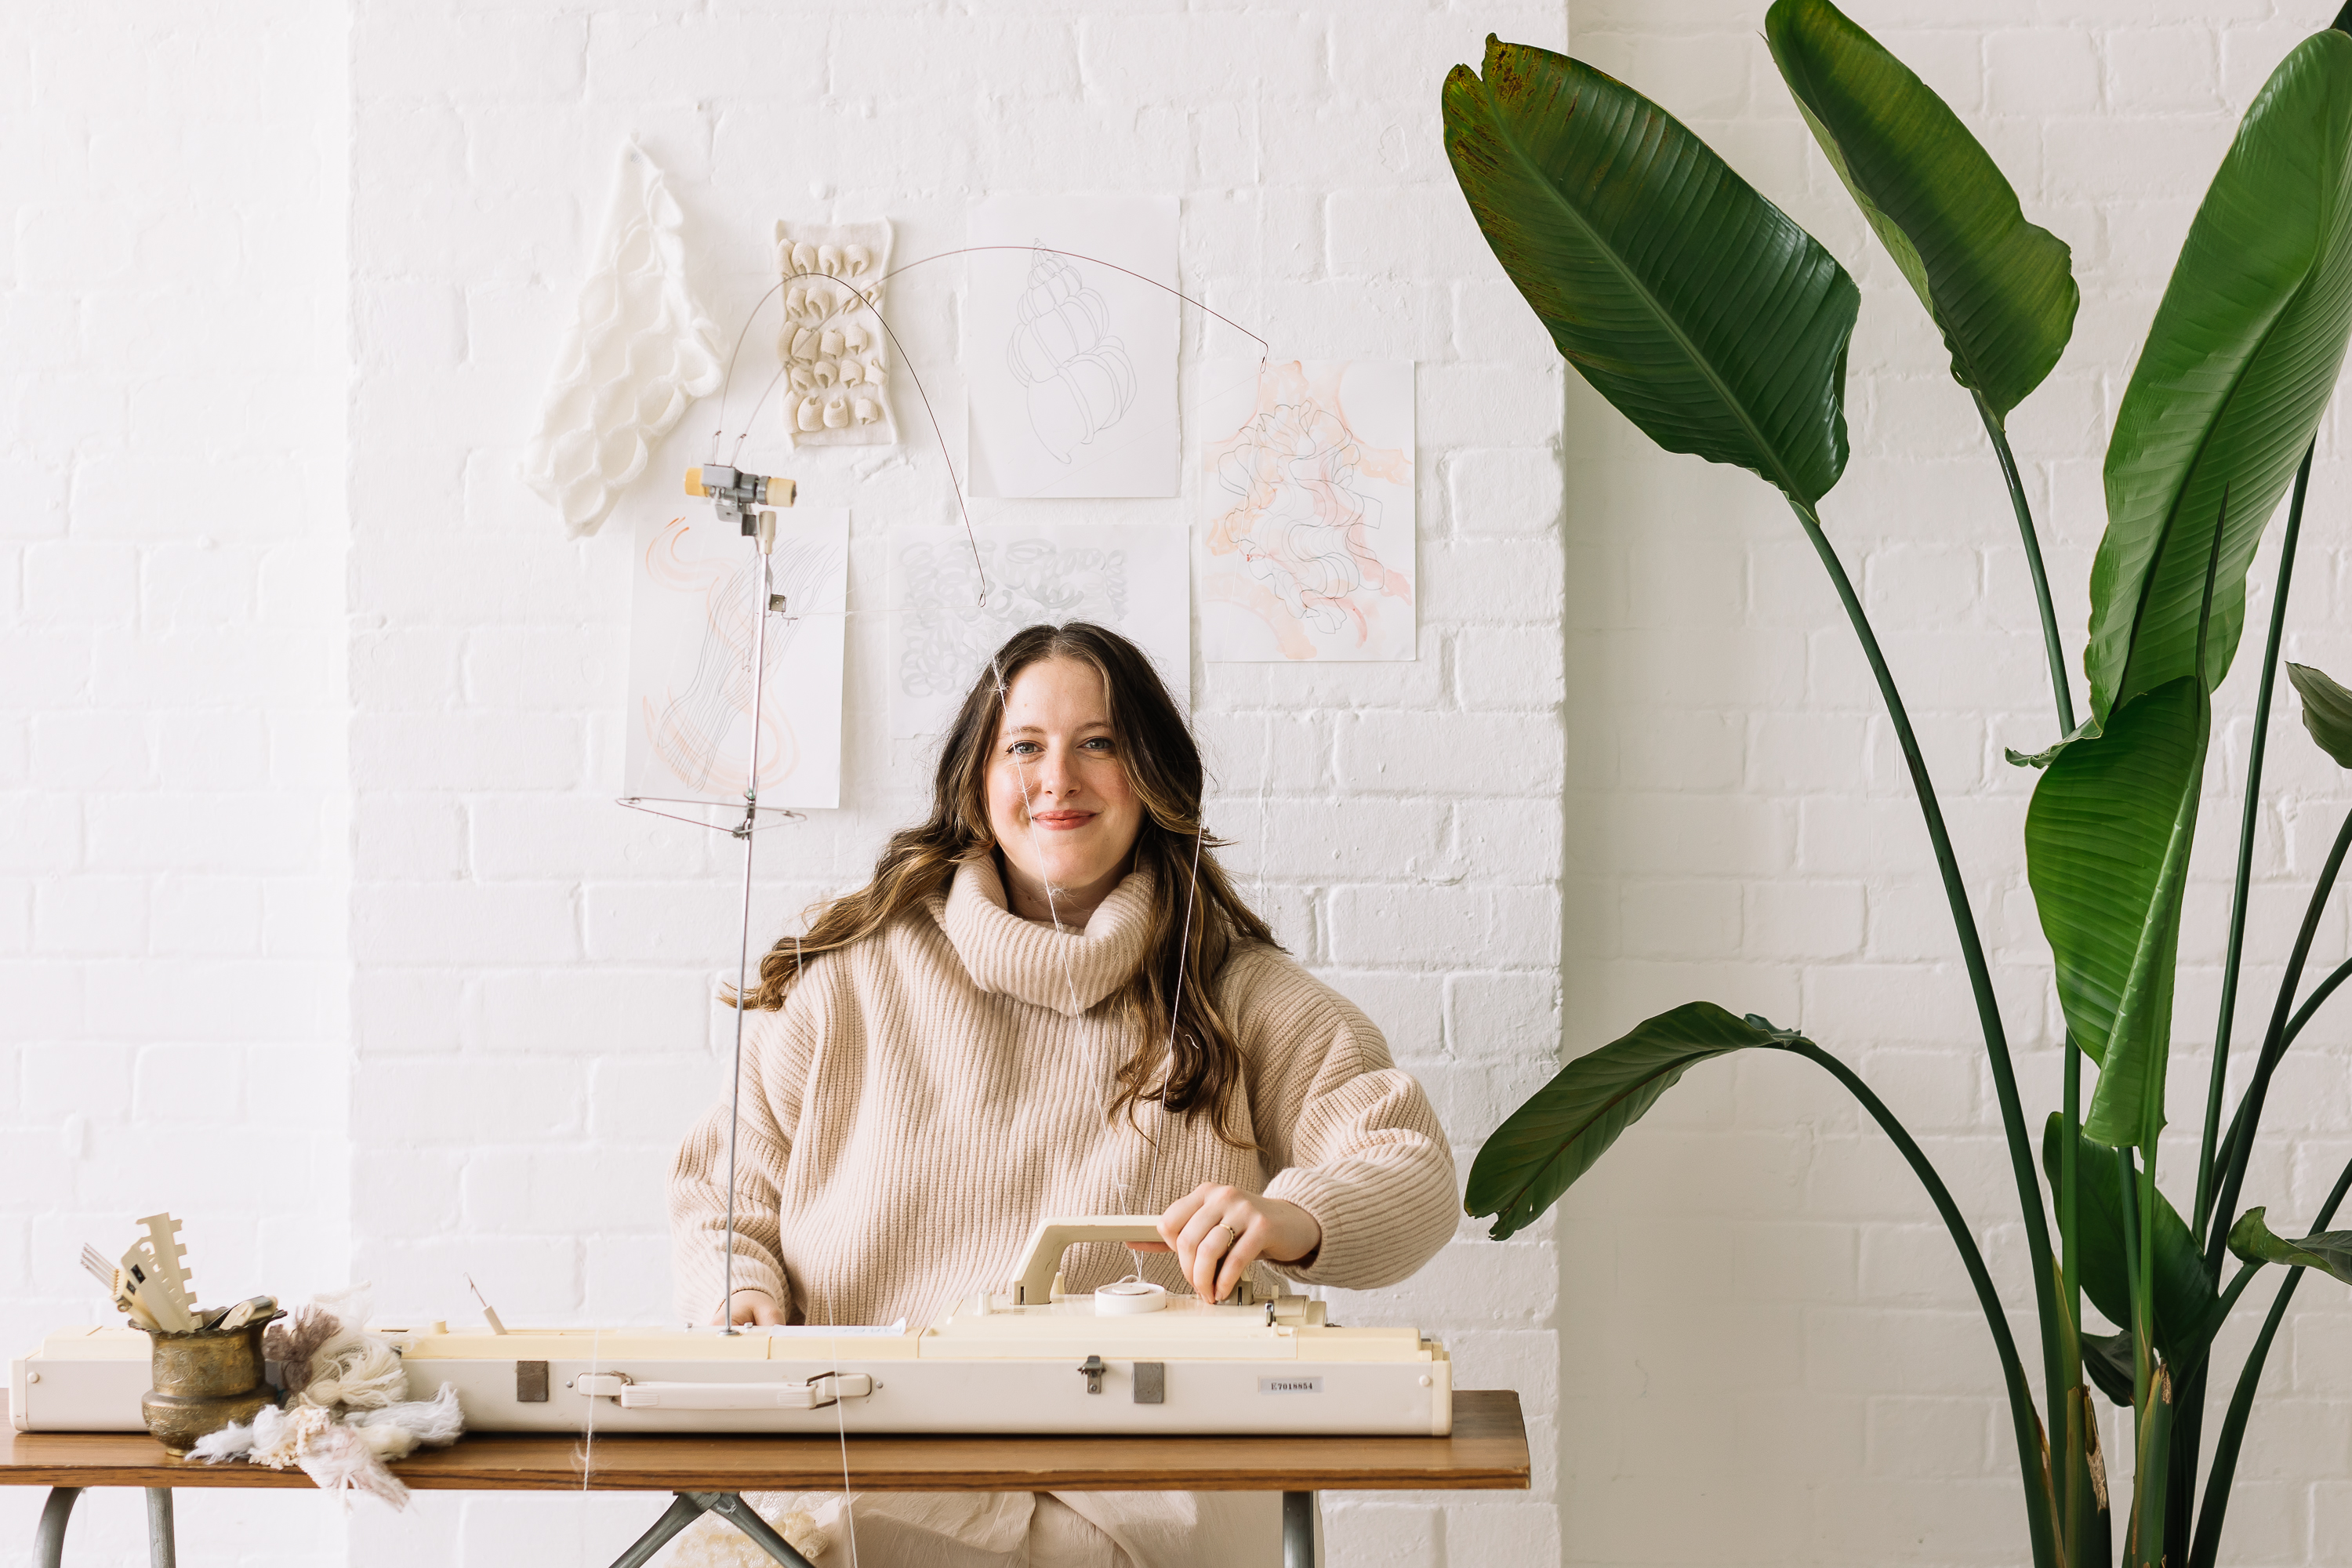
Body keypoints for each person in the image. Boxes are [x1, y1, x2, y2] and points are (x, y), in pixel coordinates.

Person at [666, 620, 1457, 1568]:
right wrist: (742, 1295)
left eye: (1099, 743)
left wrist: (1293, 1216)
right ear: (976, 779)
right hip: (873, 1457)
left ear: (1152, 775)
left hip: (1144, 1482)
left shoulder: (1235, 991)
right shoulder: (852, 977)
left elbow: (1410, 1167)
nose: (1058, 779)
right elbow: (726, 1190)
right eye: (1025, 746)